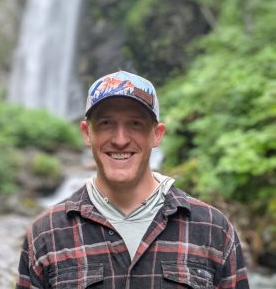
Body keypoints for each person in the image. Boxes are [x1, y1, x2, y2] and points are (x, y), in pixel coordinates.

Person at [16, 70, 250, 288]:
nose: (120, 140)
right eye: (106, 123)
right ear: (87, 133)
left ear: (156, 135)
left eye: (135, 124)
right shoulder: (46, 233)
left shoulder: (213, 229)